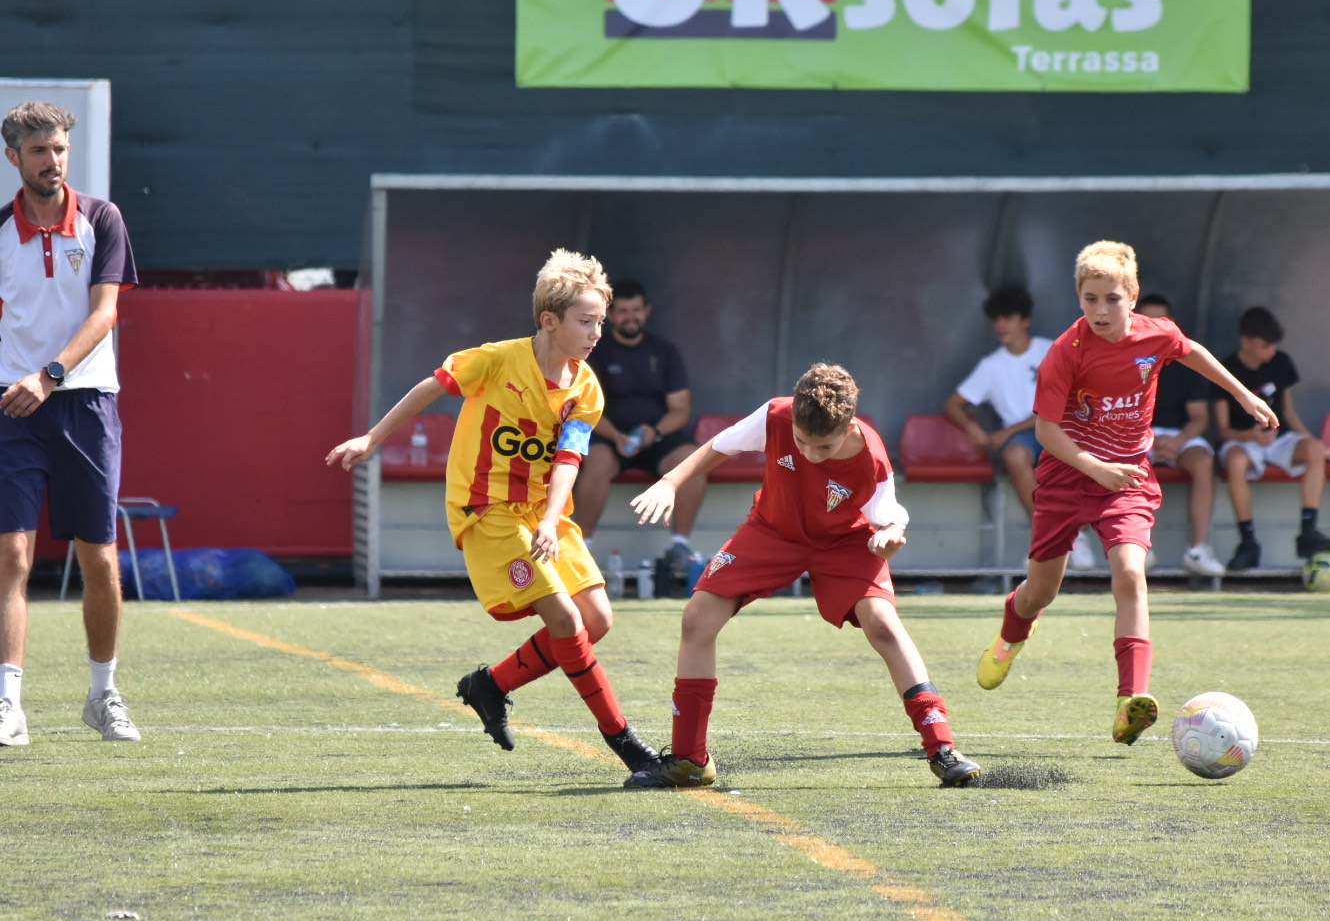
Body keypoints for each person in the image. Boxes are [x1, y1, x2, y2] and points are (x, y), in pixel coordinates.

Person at [325, 249, 657, 775]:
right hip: (488, 508)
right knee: (565, 617)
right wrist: (372, 438)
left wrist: (549, 518)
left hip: (542, 513)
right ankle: (627, 746)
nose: (597, 333)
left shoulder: (586, 387)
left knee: (597, 620)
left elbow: (569, 458)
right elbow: (432, 386)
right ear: (549, 320)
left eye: (600, 321)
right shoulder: (497, 360)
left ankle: (490, 685)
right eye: (586, 321)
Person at [623, 363, 983, 789]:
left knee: (883, 625)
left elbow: (890, 519)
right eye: (801, 442)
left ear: (849, 426)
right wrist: (670, 482)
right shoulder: (776, 414)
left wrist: (890, 537)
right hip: (772, 531)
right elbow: (721, 445)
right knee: (697, 619)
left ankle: (942, 749)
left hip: (845, 542)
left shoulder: (871, 455)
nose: (810, 454)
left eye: (824, 447)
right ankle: (689, 761)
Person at [974, 242, 1278, 747]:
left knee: (1132, 574)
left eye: (1112, 299)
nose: (1100, 310)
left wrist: (1242, 393)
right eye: (1090, 299)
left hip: (1128, 478)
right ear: (1079, 297)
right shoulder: (1065, 352)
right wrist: (1096, 467)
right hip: (1069, 478)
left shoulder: (1155, 334)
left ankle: (1129, 701)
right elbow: (1047, 431)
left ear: (1132, 298)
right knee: (1040, 593)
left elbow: (1190, 351)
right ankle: (1012, 634)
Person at [0, 102, 141, 748]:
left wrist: (49, 375)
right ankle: (8, 703)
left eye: (58, 149)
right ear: (14, 158)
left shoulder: (103, 219)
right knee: (12, 556)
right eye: (38, 151)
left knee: (100, 558)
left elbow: (105, 314)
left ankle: (102, 694)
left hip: (85, 404)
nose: (52, 161)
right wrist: (25, 382)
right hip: (13, 406)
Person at [942, 286, 1097, 569]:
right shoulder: (991, 366)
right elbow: (952, 405)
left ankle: (1077, 537)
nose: (1000, 325)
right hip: (1027, 438)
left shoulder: (1052, 350)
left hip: (1064, 428)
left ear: (1025, 320)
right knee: (1014, 455)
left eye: (1008, 317)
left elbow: (1066, 403)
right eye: (996, 319)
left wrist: (1007, 431)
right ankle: (1049, 536)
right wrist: (974, 430)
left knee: (1078, 456)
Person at [571, 279, 708, 576]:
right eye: (622, 311)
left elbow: (680, 409)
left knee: (694, 460)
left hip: (655, 436)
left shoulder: (664, 351)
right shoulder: (596, 350)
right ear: (610, 315)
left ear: (646, 311)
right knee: (597, 461)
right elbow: (582, 405)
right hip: (608, 436)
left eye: (636, 310)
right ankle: (582, 547)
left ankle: (679, 545)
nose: (630, 317)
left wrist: (654, 433)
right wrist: (615, 435)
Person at [1214, 306, 1330, 571]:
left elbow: (1289, 413)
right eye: (1265, 346)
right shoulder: (1225, 369)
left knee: (1315, 449)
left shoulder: (1280, 362)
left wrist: (1317, 445)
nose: (1271, 352)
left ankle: (1308, 532)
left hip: (1279, 439)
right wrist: (1250, 435)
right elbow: (1222, 430)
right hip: (1243, 441)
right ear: (1246, 342)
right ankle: (1248, 542)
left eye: (1274, 345)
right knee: (1236, 461)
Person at [1134, 294, 1225, 577]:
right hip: (1137, 434)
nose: (1153, 327)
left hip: (1180, 437)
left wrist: (1177, 442)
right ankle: (1138, 548)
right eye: (1146, 321)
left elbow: (1200, 419)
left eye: (1160, 321)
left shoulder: (1188, 360)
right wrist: (1150, 438)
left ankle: (1198, 550)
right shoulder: (1123, 358)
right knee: (1128, 459)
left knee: (1203, 460)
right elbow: (1120, 413)